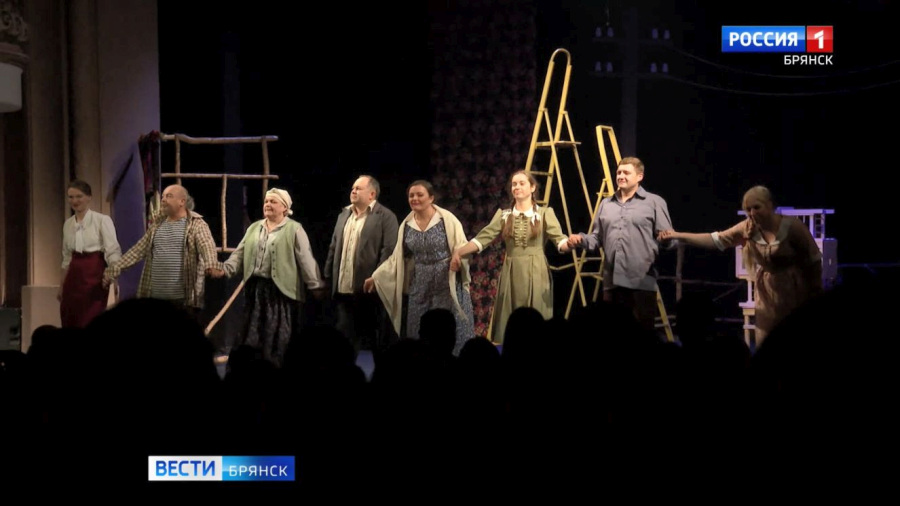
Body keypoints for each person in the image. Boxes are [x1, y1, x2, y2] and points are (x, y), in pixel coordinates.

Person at [658, 185, 823, 349]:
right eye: (748, 209)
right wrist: (677, 235)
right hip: (767, 293)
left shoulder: (792, 227)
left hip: (794, 290)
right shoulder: (747, 228)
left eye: (756, 207)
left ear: (770, 205)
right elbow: (715, 240)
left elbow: (814, 260)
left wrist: (815, 294)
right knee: (767, 341)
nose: (752, 213)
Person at [450, 170, 570, 343]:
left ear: (532, 188)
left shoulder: (544, 213)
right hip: (512, 271)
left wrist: (570, 243)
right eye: (514, 184)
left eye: (522, 183)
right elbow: (483, 239)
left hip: (536, 270)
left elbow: (560, 240)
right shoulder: (504, 215)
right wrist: (459, 252)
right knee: (511, 317)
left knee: (536, 315)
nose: (517, 187)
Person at [364, 180, 474, 355]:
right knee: (418, 328)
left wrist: (458, 258)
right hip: (421, 282)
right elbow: (397, 258)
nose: (415, 198)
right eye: (411, 195)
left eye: (420, 195)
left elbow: (461, 246)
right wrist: (376, 277)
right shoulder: (407, 225)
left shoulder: (447, 220)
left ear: (431, 198)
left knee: (445, 327)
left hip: (447, 281)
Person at [567, 156, 674, 333]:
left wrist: (666, 240)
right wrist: (581, 239)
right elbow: (597, 238)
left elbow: (670, 239)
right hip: (612, 284)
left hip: (641, 283)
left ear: (639, 176)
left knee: (640, 335)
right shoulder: (606, 204)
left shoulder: (654, 202)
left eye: (626, 173)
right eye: (618, 172)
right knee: (613, 336)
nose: (621, 176)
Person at [222, 188, 326, 367]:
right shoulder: (254, 228)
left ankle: (276, 371)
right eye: (266, 201)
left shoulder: (294, 229)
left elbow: (306, 260)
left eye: (273, 202)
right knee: (251, 335)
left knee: (277, 336)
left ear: (285, 208)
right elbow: (239, 254)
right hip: (256, 290)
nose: (268, 204)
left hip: (280, 292)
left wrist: (315, 285)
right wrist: (224, 269)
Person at [103, 184, 222, 320]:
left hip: (182, 301)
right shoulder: (157, 225)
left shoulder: (196, 224)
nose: (163, 200)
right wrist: (114, 269)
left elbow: (206, 245)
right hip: (155, 299)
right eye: (163, 196)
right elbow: (137, 251)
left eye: (169, 196)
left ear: (182, 202)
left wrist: (211, 264)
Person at [324, 175, 399, 359]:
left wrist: (377, 278)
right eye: (352, 188)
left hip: (368, 291)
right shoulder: (344, 214)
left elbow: (389, 251)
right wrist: (327, 275)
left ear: (372, 194)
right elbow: (334, 246)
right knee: (344, 338)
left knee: (369, 340)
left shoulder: (385, 216)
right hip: (344, 289)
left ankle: (371, 374)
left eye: (358, 188)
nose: (353, 191)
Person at [59, 179, 122, 328]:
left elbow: (112, 251)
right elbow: (66, 257)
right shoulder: (68, 224)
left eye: (79, 196)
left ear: (89, 197)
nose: (74, 201)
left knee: (91, 318)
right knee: (70, 317)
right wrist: (62, 285)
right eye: (71, 197)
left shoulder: (102, 220)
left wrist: (112, 275)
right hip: (74, 276)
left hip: (94, 275)